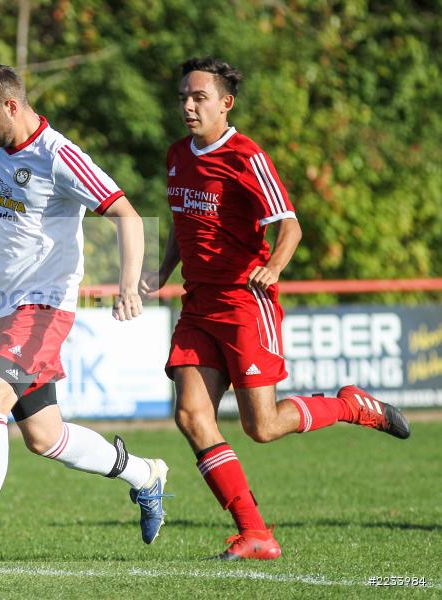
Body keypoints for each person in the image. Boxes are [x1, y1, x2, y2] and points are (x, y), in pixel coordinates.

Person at [140, 56, 411, 561]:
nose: (188, 105)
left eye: (199, 97)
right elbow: (184, 226)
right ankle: (255, 533)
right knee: (191, 415)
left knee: (261, 427)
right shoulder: (178, 155)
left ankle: (348, 406)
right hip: (198, 305)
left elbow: (290, 225)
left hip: (246, 303)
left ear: (226, 103)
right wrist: (160, 272)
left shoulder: (247, 157)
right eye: (183, 97)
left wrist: (276, 266)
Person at [0, 63, 171, 579]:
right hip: (1, 307)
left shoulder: (59, 156)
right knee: (44, 437)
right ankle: (145, 474)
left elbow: (127, 214)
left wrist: (127, 285)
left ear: (11, 105)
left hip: (43, 308)